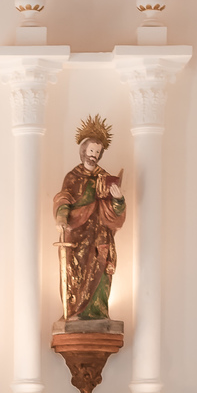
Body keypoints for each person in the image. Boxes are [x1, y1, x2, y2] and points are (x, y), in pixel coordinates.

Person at [53, 115, 126, 320]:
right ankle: (74, 313)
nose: (93, 155)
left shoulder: (105, 177)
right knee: (74, 273)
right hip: (75, 236)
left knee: (100, 272)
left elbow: (115, 211)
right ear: (83, 151)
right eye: (91, 150)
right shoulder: (72, 176)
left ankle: (98, 314)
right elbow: (63, 198)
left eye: (97, 152)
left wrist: (118, 199)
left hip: (99, 235)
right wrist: (62, 216)